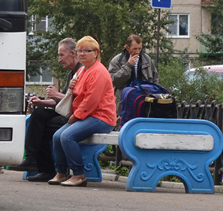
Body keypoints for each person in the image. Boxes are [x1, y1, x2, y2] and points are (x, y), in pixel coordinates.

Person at [48, 36, 117, 187]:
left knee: (67, 136)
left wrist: (76, 116)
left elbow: (91, 100)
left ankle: (79, 174)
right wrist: (73, 86)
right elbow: (79, 96)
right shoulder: (83, 71)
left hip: (102, 117)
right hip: (87, 116)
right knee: (57, 136)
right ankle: (61, 172)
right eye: (80, 50)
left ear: (96, 53)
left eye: (87, 50)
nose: (83, 54)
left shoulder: (98, 71)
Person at [12, 38, 80, 181]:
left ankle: (45, 168)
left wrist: (56, 95)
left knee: (43, 127)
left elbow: (79, 100)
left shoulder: (81, 72)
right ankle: (32, 161)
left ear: (73, 53)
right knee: (38, 113)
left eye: (61, 55)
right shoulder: (72, 72)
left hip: (78, 116)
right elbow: (61, 101)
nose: (59, 60)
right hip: (68, 111)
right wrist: (42, 102)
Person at [108, 34, 159, 102]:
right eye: (135, 49)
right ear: (127, 47)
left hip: (144, 100)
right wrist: (128, 66)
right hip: (124, 101)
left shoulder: (147, 60)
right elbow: (114, 81)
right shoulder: (117, 60)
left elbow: (155, 78)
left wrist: (154, 94)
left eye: (139, 49)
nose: (137, 52)